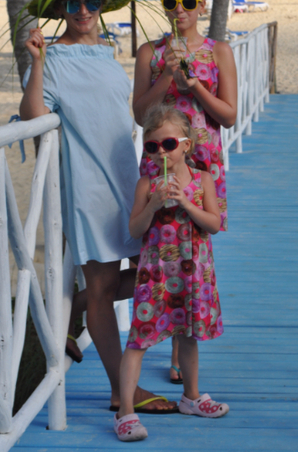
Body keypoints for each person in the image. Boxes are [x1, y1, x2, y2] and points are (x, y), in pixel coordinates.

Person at [20, 0, 177, 416]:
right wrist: (36, 62)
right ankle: (119, 390)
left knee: (157, 271)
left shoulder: (107, 52)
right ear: (60, 9)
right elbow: (32, 116)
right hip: (88, 188)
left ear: (102, 6)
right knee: (106, 287)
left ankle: (70, 309)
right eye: (73, 3)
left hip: (129, 178)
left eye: (91, 1)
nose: (84, 10)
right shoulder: (52, 59)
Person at [133, 0, 237, 384]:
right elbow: (140, 113)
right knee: (160, 248)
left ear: (202, 4)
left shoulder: (218, 51)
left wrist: (194, 85)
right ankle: (149, 334)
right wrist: (168, 76)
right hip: (160, 160)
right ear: (164, 5)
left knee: (194, 248)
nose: (180, 11)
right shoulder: (150, 52)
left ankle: (182, 347)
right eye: (172, 3)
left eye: (189, 3)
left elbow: (228, 115)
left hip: (203, 163)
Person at [114, 105, 229, 441]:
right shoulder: (146, 184)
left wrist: (186, 203)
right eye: (152, 146)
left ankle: (191, 397)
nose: (161, 153)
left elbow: (214, 224)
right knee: (139, 339)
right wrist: (152, 205)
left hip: (193, 273)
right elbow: (135, 230)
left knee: (188, 335)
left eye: (168, 144)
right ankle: (125, 411)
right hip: (156, 275)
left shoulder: (202, 180)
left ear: (186, 145)